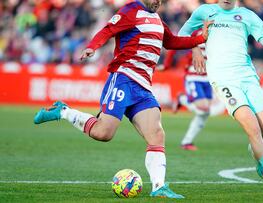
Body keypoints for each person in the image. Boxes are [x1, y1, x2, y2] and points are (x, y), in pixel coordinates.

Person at [33, 0, 212, 199]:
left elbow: (171, 42)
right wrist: (93, 46)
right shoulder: (130, 10)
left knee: (157, 135)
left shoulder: (157, 19)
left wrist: (200, 39)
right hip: (124, 79)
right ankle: (64, 112)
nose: (157, 2)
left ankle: (158, 187)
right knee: (103, 133)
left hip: (143, 87)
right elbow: (108, 30)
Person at [178, 0, 263, 196]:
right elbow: (182, 33)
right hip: (223, 80)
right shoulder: (205, 12)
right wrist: (195, 48)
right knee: (253, 129)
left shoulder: (247, 15)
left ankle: (258, 154)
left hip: (248, 77)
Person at [163, 29, 213, 151]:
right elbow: (175, 44)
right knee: (203, 108)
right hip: (193, 75)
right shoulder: (194, 30)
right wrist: (166, 65)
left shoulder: (220, 30)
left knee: (205, 112)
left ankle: (187, 142)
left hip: (208, 78)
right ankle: (182, 98)